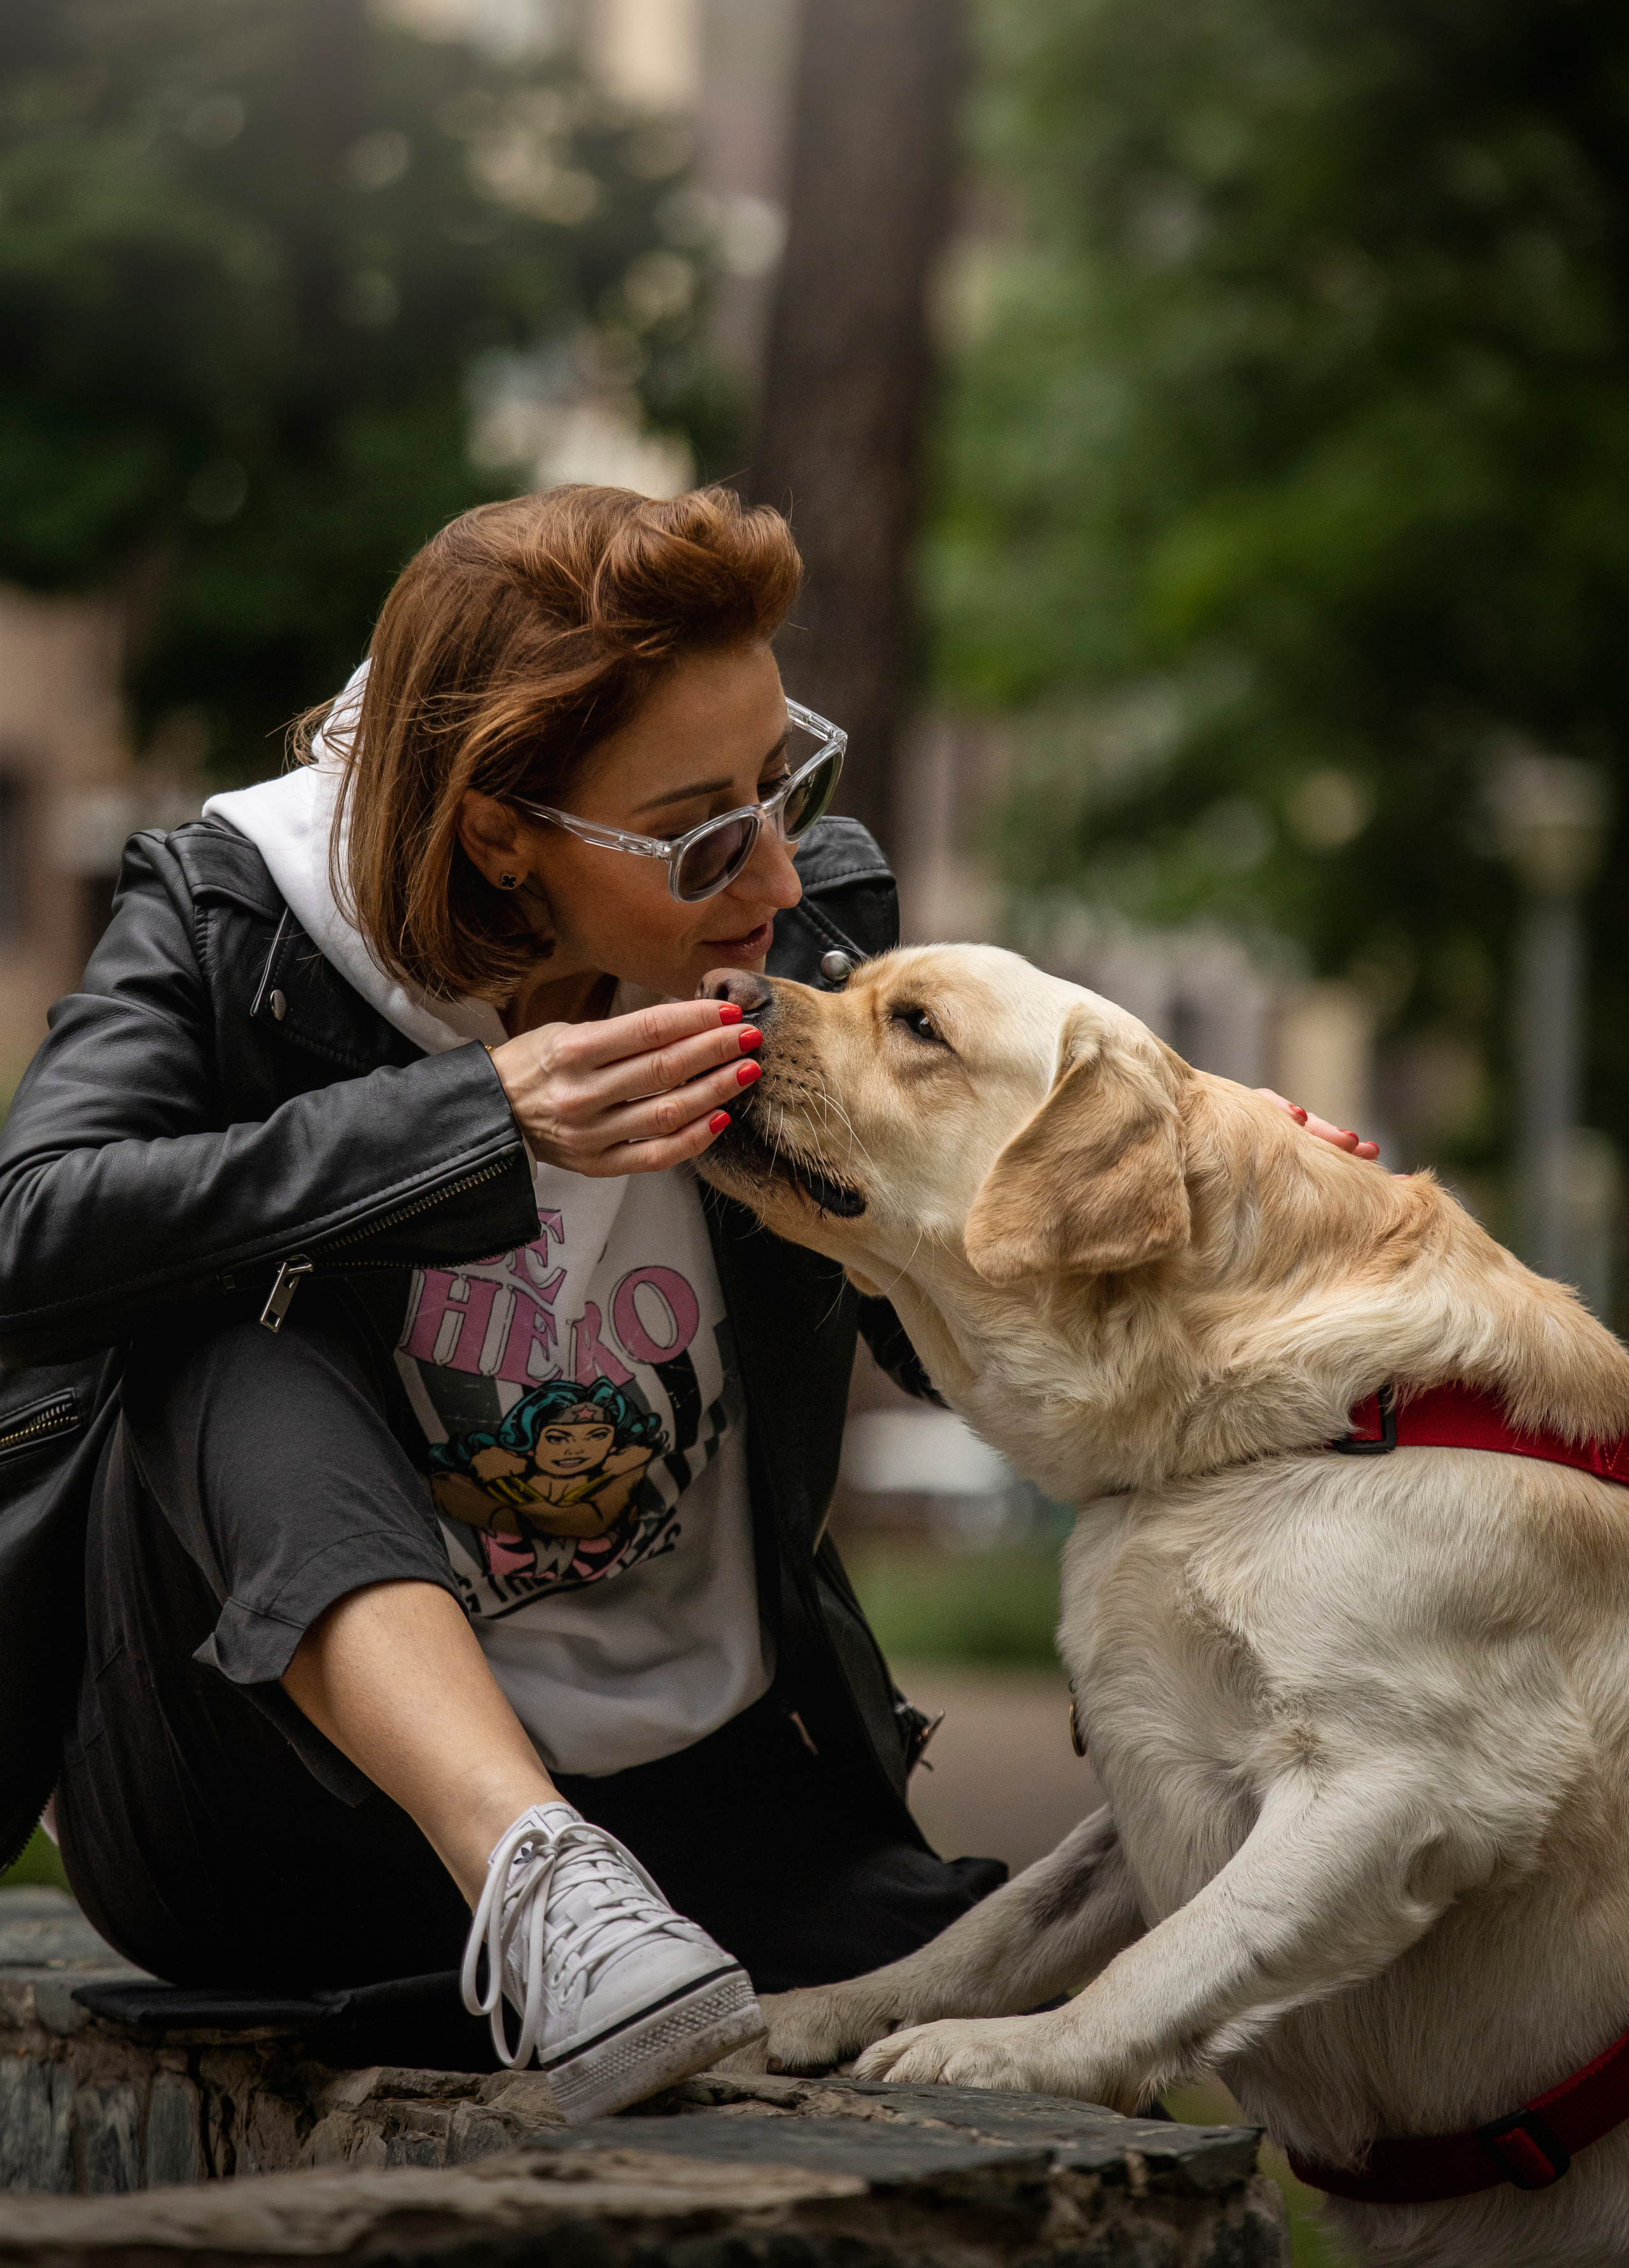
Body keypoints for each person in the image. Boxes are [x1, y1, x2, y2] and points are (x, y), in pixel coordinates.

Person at [0, 485, 1003, 2122]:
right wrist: (479, 1119)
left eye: (781, 781)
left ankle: (606, 1909)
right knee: (197, 1296)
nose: (766, 873)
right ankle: (526, 1870)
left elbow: (935, 1310)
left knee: (1085, 1988)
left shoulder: (790, 927)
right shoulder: (236, 917)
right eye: (695, 830)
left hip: (713, 1812)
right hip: (279, 1819)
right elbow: (28, 1233)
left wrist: (1207, 1248)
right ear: (495, 832)